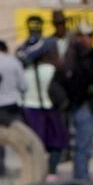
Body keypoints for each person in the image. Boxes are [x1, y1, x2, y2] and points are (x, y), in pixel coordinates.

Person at [60, 21, 93, 182]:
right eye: (88, 36)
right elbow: (78, 86)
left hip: (87, 106)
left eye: (92, 35)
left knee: (85, 146)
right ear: (79, 37)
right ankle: (81, 180)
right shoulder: (75, 58)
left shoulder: (87, 55)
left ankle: (82, 178)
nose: (91, 39)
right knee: (83, 146)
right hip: (82, 106)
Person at [19, 43, 69, 175]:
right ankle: (51, 171)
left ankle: (36, 172)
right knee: (56, 143)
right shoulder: (50, 69)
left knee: (34, 145)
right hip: (48, 110)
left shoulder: (24, 72)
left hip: (29, 111)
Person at [0, 39, 28, 177]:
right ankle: (27, 170)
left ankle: (0, 170)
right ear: (5, 49)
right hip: (12, 106)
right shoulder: (14, 62)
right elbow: (24, 86)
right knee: (20, 139)